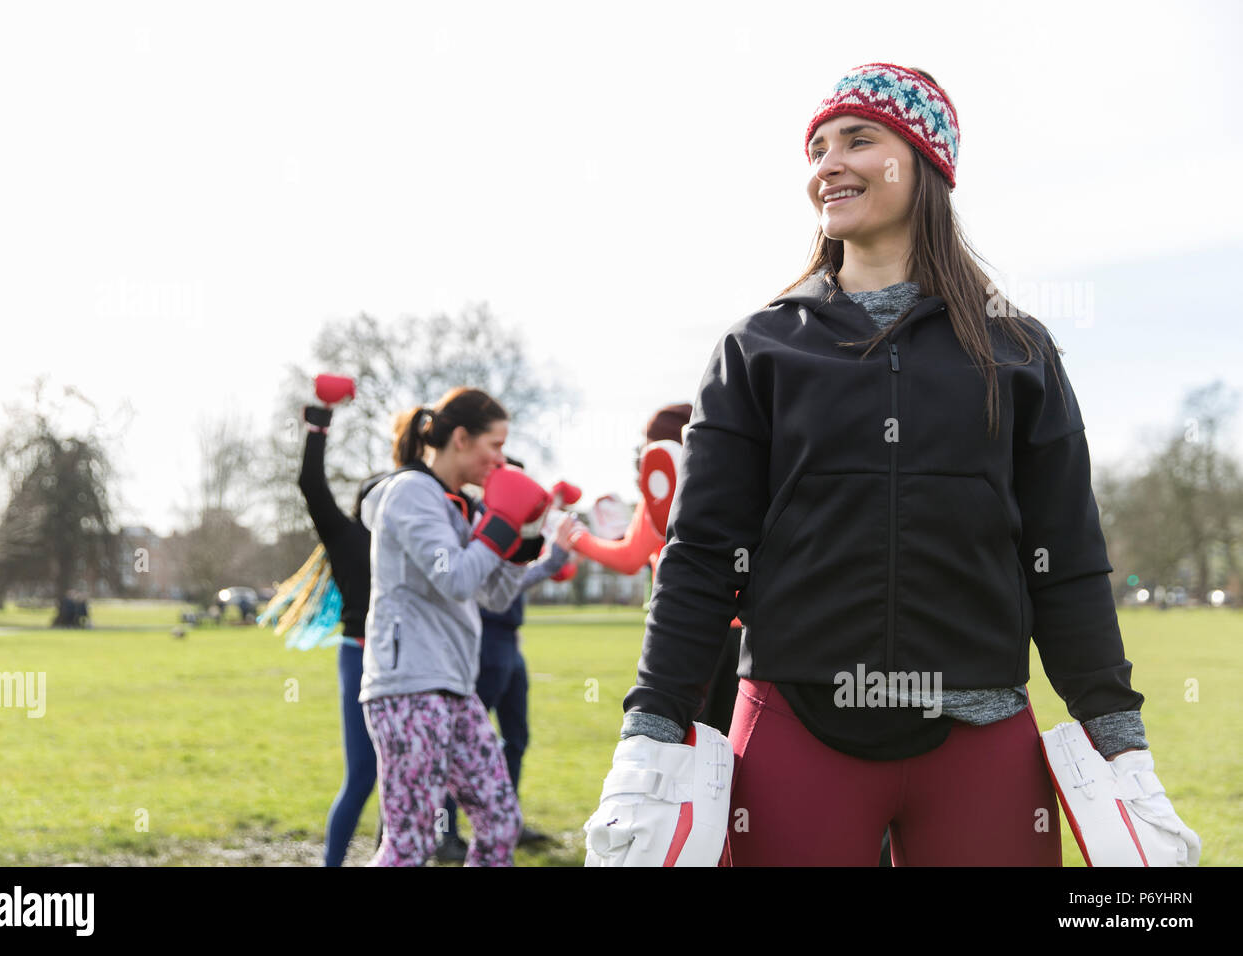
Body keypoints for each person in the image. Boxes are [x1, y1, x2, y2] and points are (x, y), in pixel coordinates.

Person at [601, 63, 1196, 865]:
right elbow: (701, 557)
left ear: (925, 162)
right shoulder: (758, 350)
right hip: (793, 730)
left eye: (857, 140)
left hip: (982, 743)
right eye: (816, 149)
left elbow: (1068, 561)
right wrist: (649, 728)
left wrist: (1118, 738)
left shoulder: (1018, 352)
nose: (827, 165)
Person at [360, 386, 576, 867]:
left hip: (456, 687)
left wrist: (530, 542)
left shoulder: (463, 504)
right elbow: (454, 576)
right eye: (495, 446)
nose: (502, 461)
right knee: (410, 843)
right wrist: (501, 523)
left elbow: (494, 593)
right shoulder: (410, 493)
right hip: (408, 686)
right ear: (461, 438)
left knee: (501, 822)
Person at [437, 458, 585, 861]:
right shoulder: (480, 523)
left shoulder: (518, 523)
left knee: (515, 738)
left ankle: (507, 822)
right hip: (484, 644)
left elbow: (516, 578)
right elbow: (494, 583)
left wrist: (551, 552)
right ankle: (445, 834)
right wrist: (552, 561)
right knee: (460, 745)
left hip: (511, 647)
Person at [570, 404, 743, 735]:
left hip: (687, 624)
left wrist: (576, 537)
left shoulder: (667, 483)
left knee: (685, 738)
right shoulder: (729, 479)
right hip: (740, 627)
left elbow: (629, 556)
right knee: (729, 739)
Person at [296, 394, 386, 867]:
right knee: (363, 776)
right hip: (358, 655)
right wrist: (318, 428)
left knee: (403, 776)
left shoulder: (411, 540)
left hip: (405, 661)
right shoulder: (347, 537)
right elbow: (311, 484)